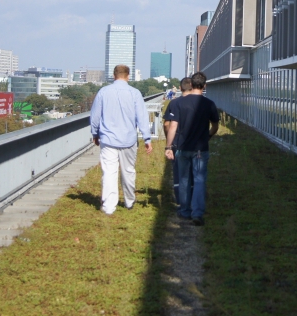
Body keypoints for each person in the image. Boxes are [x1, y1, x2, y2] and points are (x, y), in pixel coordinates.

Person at [90, 64, 152, 215]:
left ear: (114, 75)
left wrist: (95, 133)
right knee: (128, 171)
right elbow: (142, 116)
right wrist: (147, 138)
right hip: (128, 139)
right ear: (128, 76)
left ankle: (109, 206)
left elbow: (95, 116)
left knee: (109, 172)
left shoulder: (103, 92)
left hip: (108, 139)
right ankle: (129, 201)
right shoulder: (135, 93)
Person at [165, 71, 219, 226]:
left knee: (183, 179)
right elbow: (215, 126)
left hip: (182, 148)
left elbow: (173, 126)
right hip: (201, 149)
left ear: (192, 85)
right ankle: (198, 212)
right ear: (204, 85)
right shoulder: (209, 104)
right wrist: (207, 136)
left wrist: (169, 147)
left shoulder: (179, 103)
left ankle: (185, 210)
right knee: (199, 179)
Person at [163, 77, 193, 205]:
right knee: (192, 172)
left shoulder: (174, 103)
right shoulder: (198, 102)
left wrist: (168, 142)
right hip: (193, 142)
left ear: (180, 88)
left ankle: (180, 200)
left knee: (178, 172)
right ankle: (192, 200)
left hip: (177, 142)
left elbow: (166, 125)